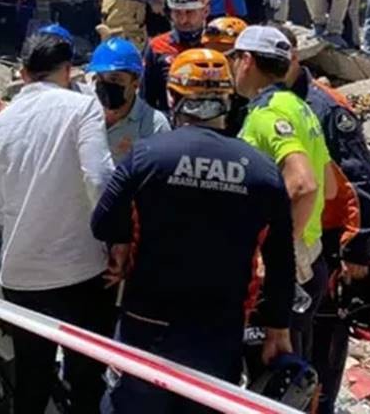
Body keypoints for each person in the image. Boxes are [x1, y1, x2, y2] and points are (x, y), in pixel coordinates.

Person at [91, 48, 296, 413]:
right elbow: (281, 261)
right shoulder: (262, 170)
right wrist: (277, 328)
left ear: (173, 97)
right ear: (227, 98)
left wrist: (122, 242)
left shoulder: (146, 155)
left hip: (147, 324)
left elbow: (102, 221)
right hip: (219, 331)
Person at [0, 30, 115, 414]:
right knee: (86, 378)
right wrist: (114, 241)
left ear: (22, 72)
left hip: (23, 277)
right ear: (68, 71)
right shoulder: (81, 109)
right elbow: (100, 178)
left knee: (32, 381)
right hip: (82, 270)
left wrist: (29, 214)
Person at [279, 31, 370, 414]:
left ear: (292, 56)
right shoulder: (260, 104)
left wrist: (357, 249)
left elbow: (360, 181)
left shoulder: (326, 107)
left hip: (328, 242)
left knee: (324, 337)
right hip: (288, 243)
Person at [229, 25, 329, 359]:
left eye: (234, 59)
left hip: (287, 264)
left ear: (246, 61)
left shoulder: (267, 114)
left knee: (269, 368)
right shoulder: (300, 107)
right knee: (296, 367)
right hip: (311, 256)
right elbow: (329, 186)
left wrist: (276, 252)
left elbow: (305, 184)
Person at [86, 37, 170, 160]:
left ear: (135, 82)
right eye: (99, 78)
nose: (106, 85)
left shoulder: (154, 124)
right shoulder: (85, 113)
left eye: (115, 79)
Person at [141, 0, 212, 113]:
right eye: (177, 13)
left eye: (190, 12)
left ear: (206, 11)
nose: (183, 20)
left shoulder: (219, 45)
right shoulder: (157, 47)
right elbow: (146, 99)